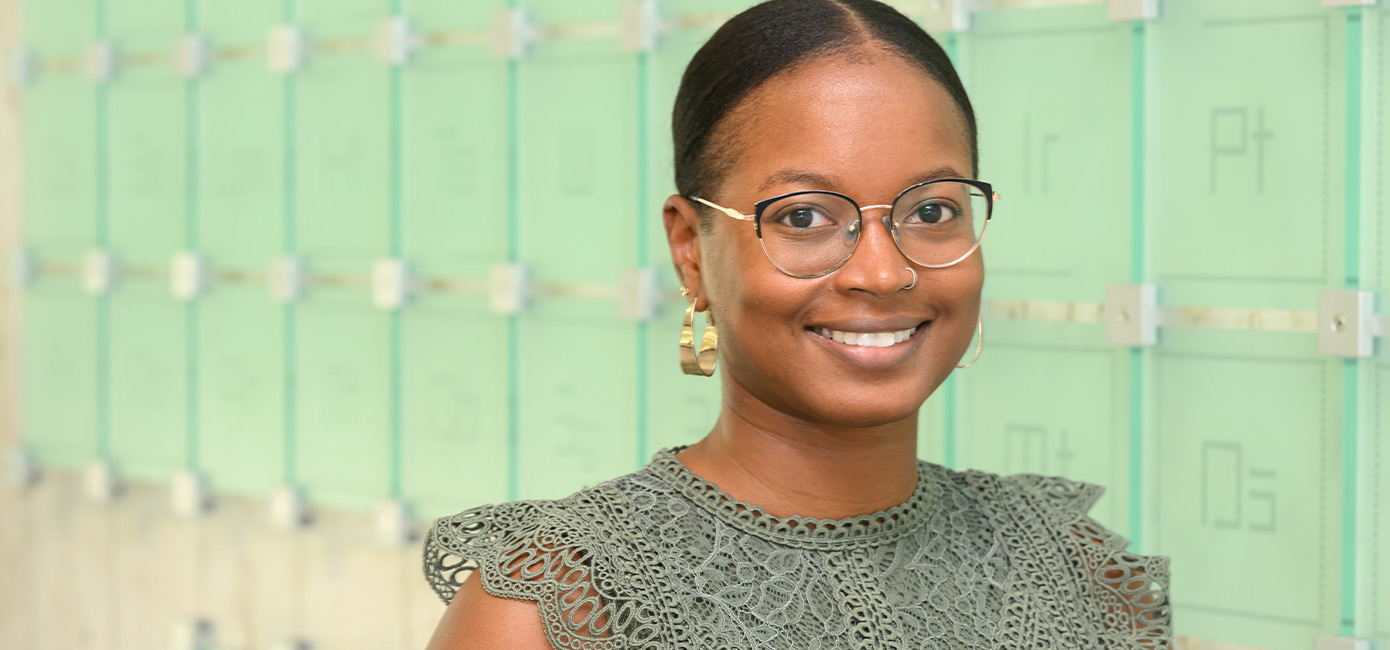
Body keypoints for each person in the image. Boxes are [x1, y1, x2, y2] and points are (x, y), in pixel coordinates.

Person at [422, 1, 1170, 647]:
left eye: (932, 211)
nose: (882, 272)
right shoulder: (558, 607)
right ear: (690, 248)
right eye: (804, 216)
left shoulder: (1076, 569)